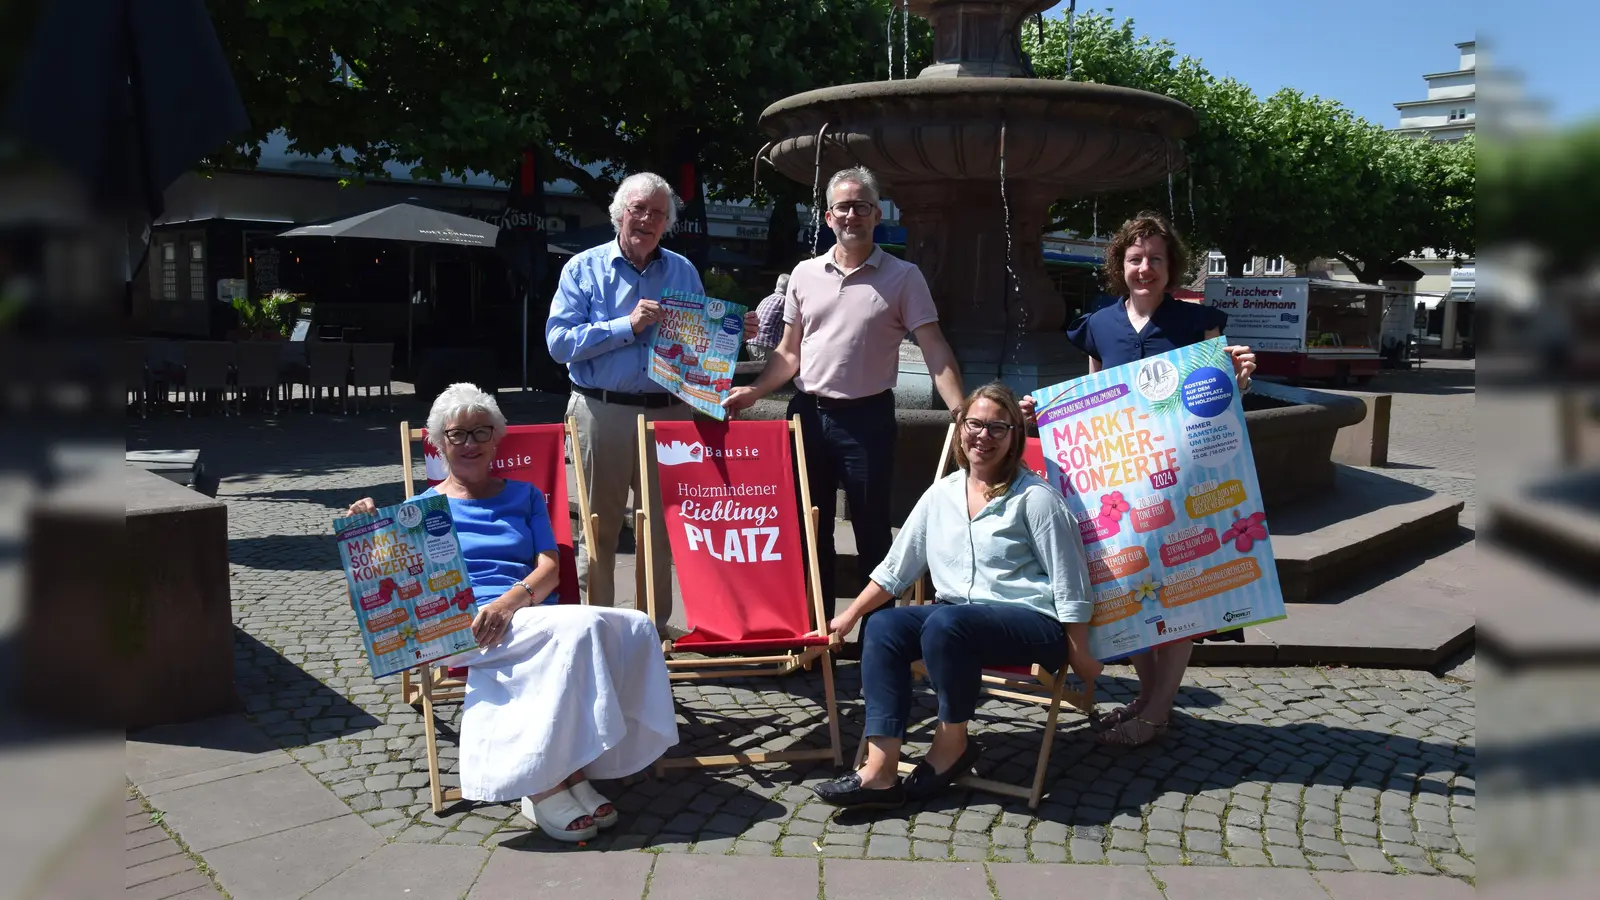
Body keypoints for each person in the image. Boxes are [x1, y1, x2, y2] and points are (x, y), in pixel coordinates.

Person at [345, 384, 677, 843]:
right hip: (463, 625)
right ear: (439, 443)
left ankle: (562, 771)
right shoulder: (417, 512)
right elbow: (388, 596)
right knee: (579, 631)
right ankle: (546, 783)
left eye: (481, 432)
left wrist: (508, 602)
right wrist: (366, 531)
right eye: (457, 434)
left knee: (635, 625)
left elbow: (549, 566)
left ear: (497, 438)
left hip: (523, 612)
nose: (470, 443)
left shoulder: (525, 496)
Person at [1022, 211, 1257, 749]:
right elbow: (1088, 399)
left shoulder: (1200, 324)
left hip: (1183, 478)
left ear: (1170, 265)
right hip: (1123, 479)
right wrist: (1046, 411)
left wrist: (1238, 379)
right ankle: (1150, 700)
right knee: (1133, 591)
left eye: (1155, 258)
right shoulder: (1100, 325)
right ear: (1119, 265)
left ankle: (1155, 713)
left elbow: (1220, 401)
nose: (1144, 267)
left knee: (1178, 597)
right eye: (1134, 258)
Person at [809, 383, 1101, 809]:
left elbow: (1070, 579)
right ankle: (880, 769)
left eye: (997, 428)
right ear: (960, 427)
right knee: (887, 625)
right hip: (958, 621)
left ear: (1014, 435)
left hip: (1029, 623)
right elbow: (896, 569)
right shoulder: (942, 493)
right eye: (975, 424)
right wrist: (850, 615)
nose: (983, 436)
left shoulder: (1036, 499)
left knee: (947, 623)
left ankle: (952, 745)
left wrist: (1079, 653)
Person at [723, 167, 966, 651]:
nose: (851, 214)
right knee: (809, 528)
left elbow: (934, 346)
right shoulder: (805, 275)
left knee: (874, 529)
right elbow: (788, 354)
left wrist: (962, 408)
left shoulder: (903, 277)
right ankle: (815, 631)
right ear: (828, 216)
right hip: (806, 414)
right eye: (843, 207)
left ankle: (881, 640)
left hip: (867, 418)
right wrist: (754, 393)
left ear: (877, 214)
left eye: (861, 206)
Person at [545, 172, 756, 631]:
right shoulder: (583, 268)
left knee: (662, 532)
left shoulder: (682, 270)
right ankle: (595, 630)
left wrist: (735, 335)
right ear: (619, 213)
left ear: (666, 224)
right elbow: (559, 343)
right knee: (598, 528)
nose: (646, 219)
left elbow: (698, 349)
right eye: (639, 209)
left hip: (669, 415)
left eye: (658, 214)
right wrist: (627, 325)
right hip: (602, 410)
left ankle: (651, 632)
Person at [747, 273, 790, 362]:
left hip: (752, 343)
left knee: (760, 373)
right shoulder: (784, 301)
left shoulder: (767, 298)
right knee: (777, 373)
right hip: (767, 345)